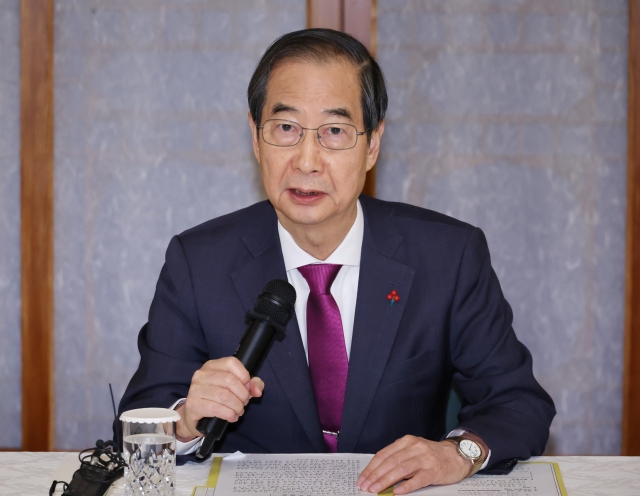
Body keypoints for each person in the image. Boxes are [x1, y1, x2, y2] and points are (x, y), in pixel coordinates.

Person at [118, 28, 555, 494]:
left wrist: (458, 452)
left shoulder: (447, 256)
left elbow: (518, 404)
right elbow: (139, 426)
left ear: (372, 145)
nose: (307, 161)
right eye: (286, 129)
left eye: (334, 132)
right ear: (255, 137)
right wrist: (184, 420)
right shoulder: (198, 262)